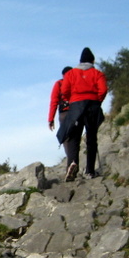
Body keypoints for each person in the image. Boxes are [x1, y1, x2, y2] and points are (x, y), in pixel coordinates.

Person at [56, 47, 108, 181]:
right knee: (91, 138)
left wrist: (71, 99)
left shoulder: (71, 74)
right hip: (92, 106)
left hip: (75, 107)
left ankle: (72, 163)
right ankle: (90, 170)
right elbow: (103, 90)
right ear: (92, 60)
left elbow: (65, 91)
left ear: (80, 60)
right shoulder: (97, 73)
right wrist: (97, 101)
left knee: (74, 137)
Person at [48, 66, 73, 158]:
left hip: (64, 113)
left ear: (63, 75)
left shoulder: (59, 84)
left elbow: (54, 102)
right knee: (76, 137)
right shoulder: (77, 82)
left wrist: (51, 119)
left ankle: (71, 160)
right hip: (78, 112)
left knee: (66, 138)